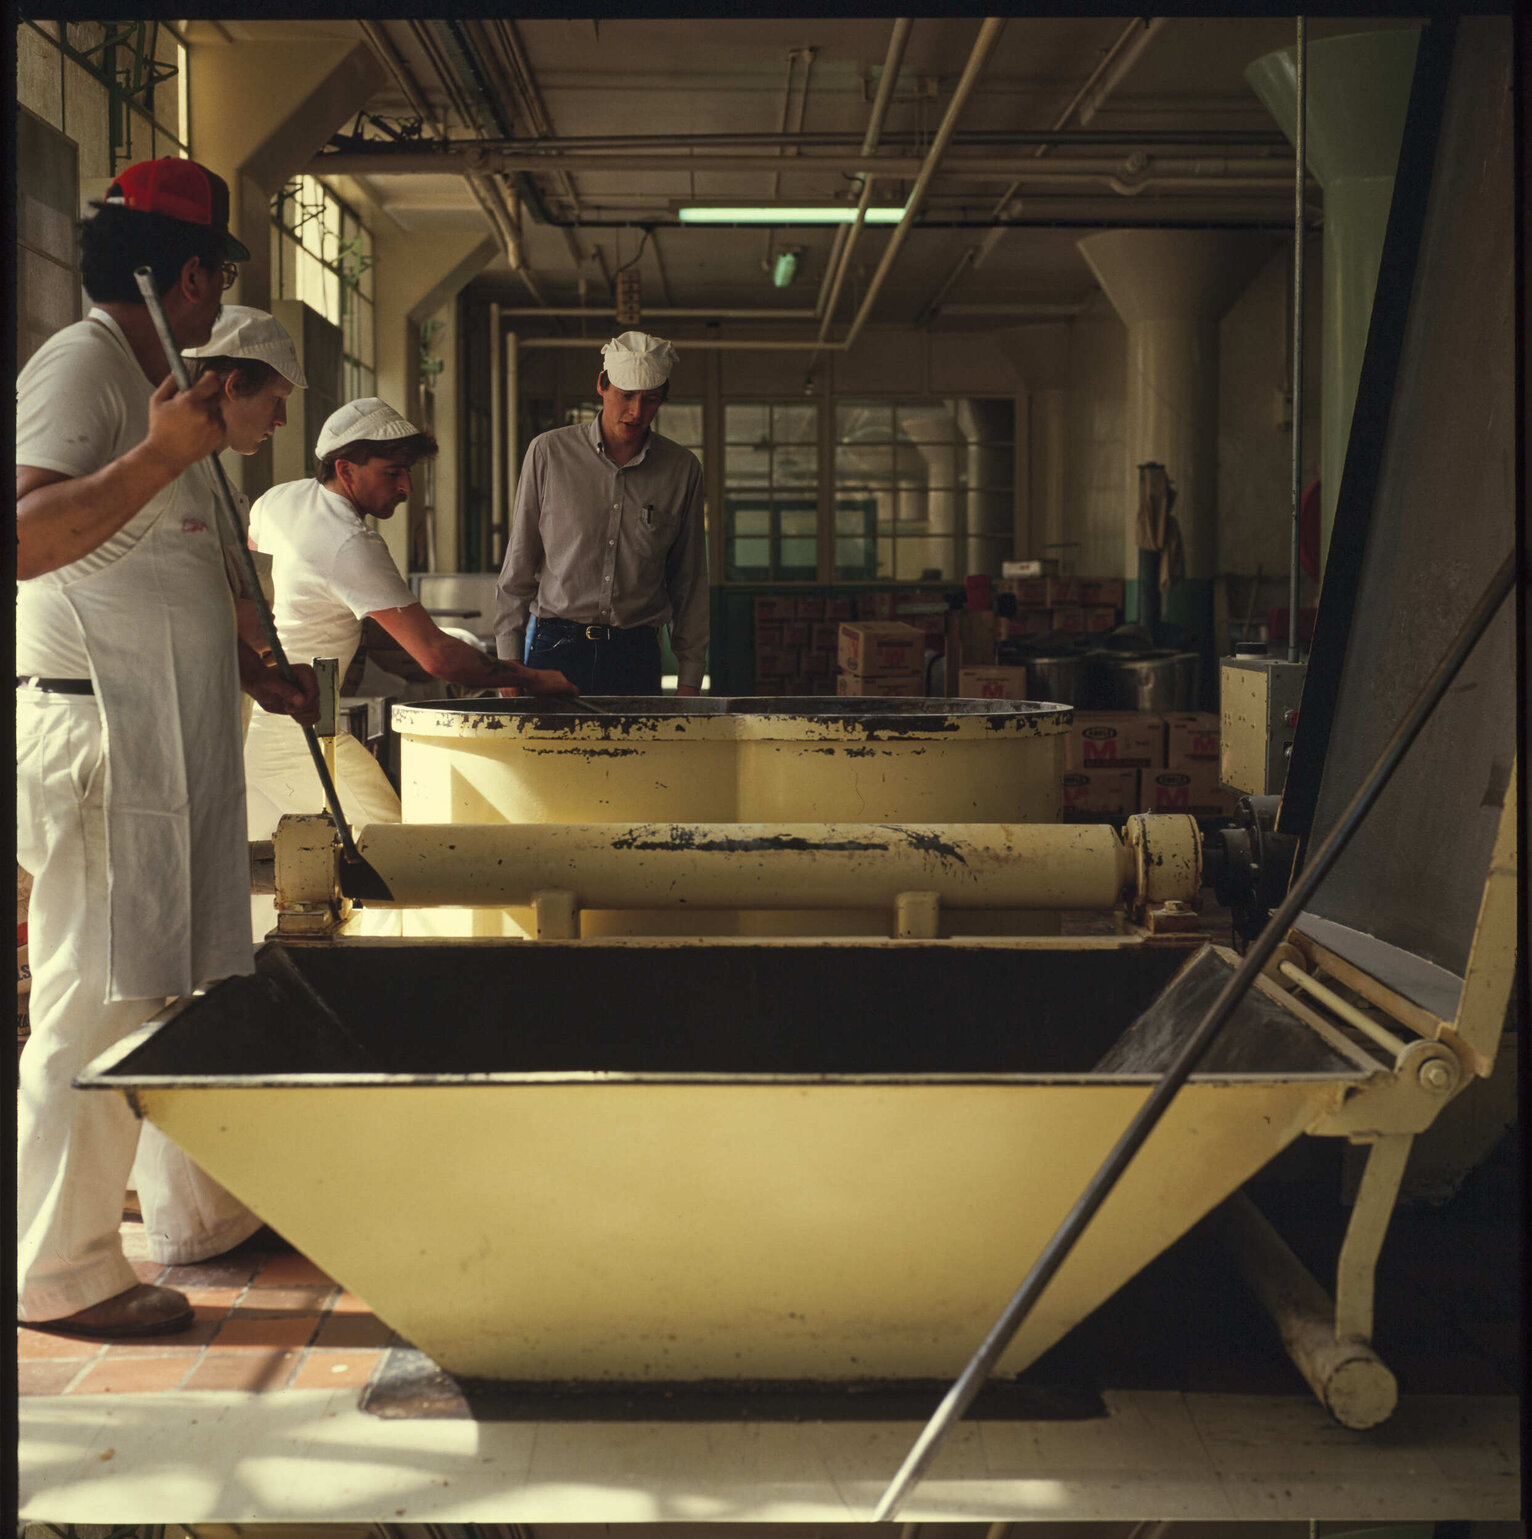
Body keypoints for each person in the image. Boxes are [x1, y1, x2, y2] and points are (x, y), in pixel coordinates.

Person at [15, 157, 321, 1338]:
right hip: (99, 738)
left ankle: (184, 1221)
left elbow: (148, 558)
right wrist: (158, 455)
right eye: (220, 276)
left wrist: (247, 666)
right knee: (92, 1009)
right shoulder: (86, 367)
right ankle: (60, 1272)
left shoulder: (158, 385)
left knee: (152, 995)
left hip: (155, 744)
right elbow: (29, 535)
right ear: (187, 276)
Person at [241, 398, 577, 904]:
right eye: (393, 472)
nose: (406, 488)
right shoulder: (351, 543)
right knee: (394, 857)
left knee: (295, 871)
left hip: (252, 721)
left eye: (409, 472)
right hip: (302, 735)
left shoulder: (276, 501)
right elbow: (435, 658)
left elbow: (258, 602)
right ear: (345, 469)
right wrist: (529, 678)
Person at [495, 330, 708, 696]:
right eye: (626, 396)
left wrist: (690, 677)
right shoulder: (549, 453)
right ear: (602, 386)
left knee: (637, 755)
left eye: (651, 400)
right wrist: (509, 662)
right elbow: (519, 564)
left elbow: (688, 581)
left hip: (636, 654)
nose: (636, 412)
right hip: (556, 648)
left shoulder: (681, 469)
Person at [180, 305, 308, 739]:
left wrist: (260, 676)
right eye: (277, 400)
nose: (282, 420)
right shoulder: (167, 478)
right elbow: (157, 607)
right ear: (234, 386)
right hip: (176, 713)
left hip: (217, 713)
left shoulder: (222, 486)